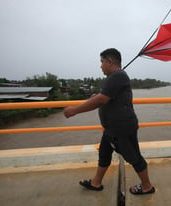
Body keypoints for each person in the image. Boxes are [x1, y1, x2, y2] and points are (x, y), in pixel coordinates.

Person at [63, 48, 155, 195]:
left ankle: (147, 186)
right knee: (104, 153)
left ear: (110, 61)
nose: (100, 66)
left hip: (121, 129)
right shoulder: (115, 76)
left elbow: (101, 100)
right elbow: (105, 96)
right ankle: (96, 183)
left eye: (102, 62)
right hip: (111, 128)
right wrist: (97, 96)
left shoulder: (117, 76)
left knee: (134, 157)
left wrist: (74, 110)